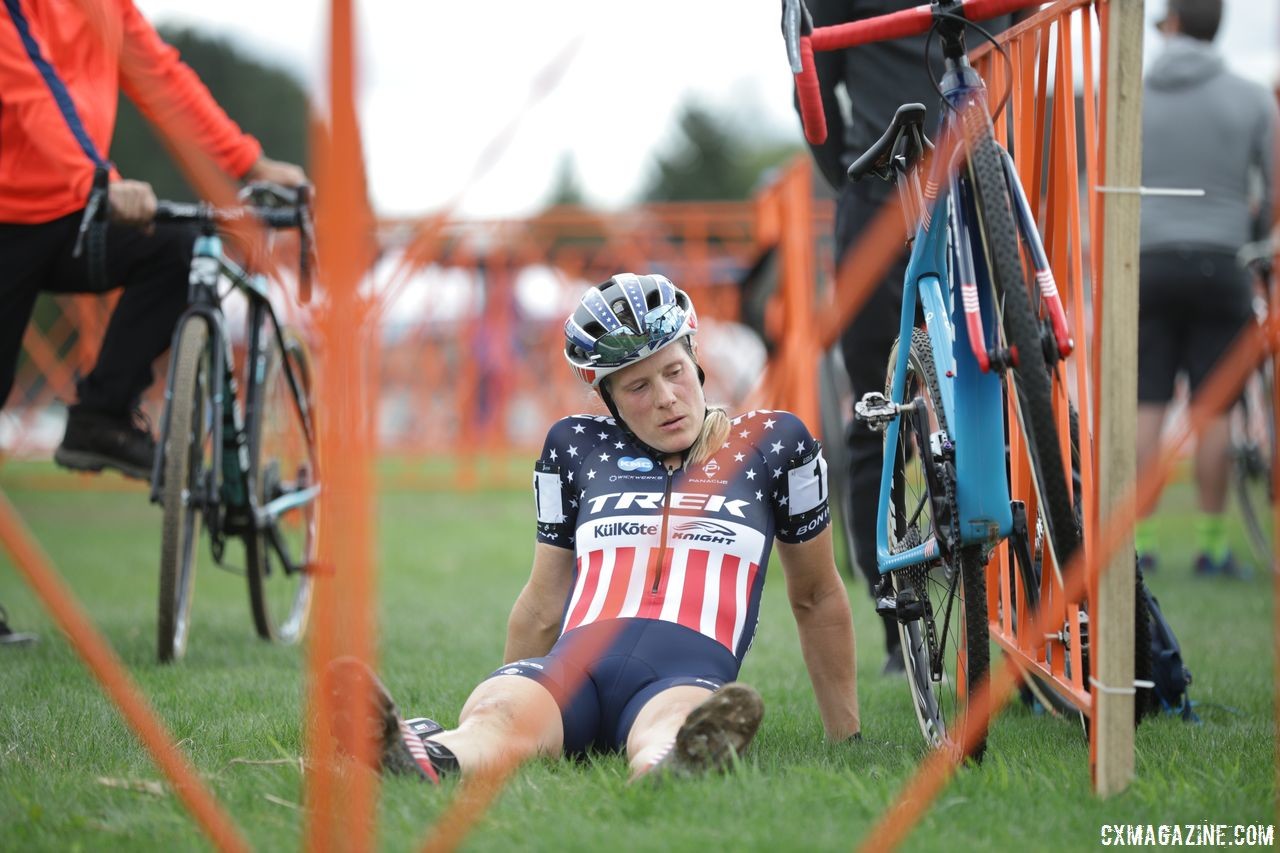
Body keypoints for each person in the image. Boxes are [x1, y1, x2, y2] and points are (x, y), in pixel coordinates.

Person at [331, 273, 860, 783]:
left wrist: (846, 740)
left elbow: (816, 595)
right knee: (497, 717)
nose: (665, 398)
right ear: (606, 396)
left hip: (682, 676)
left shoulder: (775, 442)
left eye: (674, 371)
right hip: (571, 671)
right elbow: (543, 601)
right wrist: (514, 688)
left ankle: (668, 770)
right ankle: (425, 756)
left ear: (695, 358)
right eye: (637, 387)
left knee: (674, 726)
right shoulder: (574, 445)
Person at [793, 0, 1013, 674]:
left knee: (876, 414)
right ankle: (995, 608)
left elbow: (812, 94)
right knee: (991, 387)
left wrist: (853, 172)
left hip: (883, 175)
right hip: (976, 172)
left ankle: (899, 630)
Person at [0, 0, 307, 480]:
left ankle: (101, 417)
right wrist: (96, 177)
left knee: (174, 247)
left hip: (76, 210)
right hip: (16, 216)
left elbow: (162, 78)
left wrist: (248, 163)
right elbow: (34, 90)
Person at [1133, 0, 1276, 579]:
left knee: (1146, 405)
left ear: (1170, 24)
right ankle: (1213, 548)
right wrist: (1252, 230)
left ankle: (1138, 542)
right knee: (1215, 411)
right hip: (1224, 262)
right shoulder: (1251, 98)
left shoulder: (1132, 94)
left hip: (1145, 261)